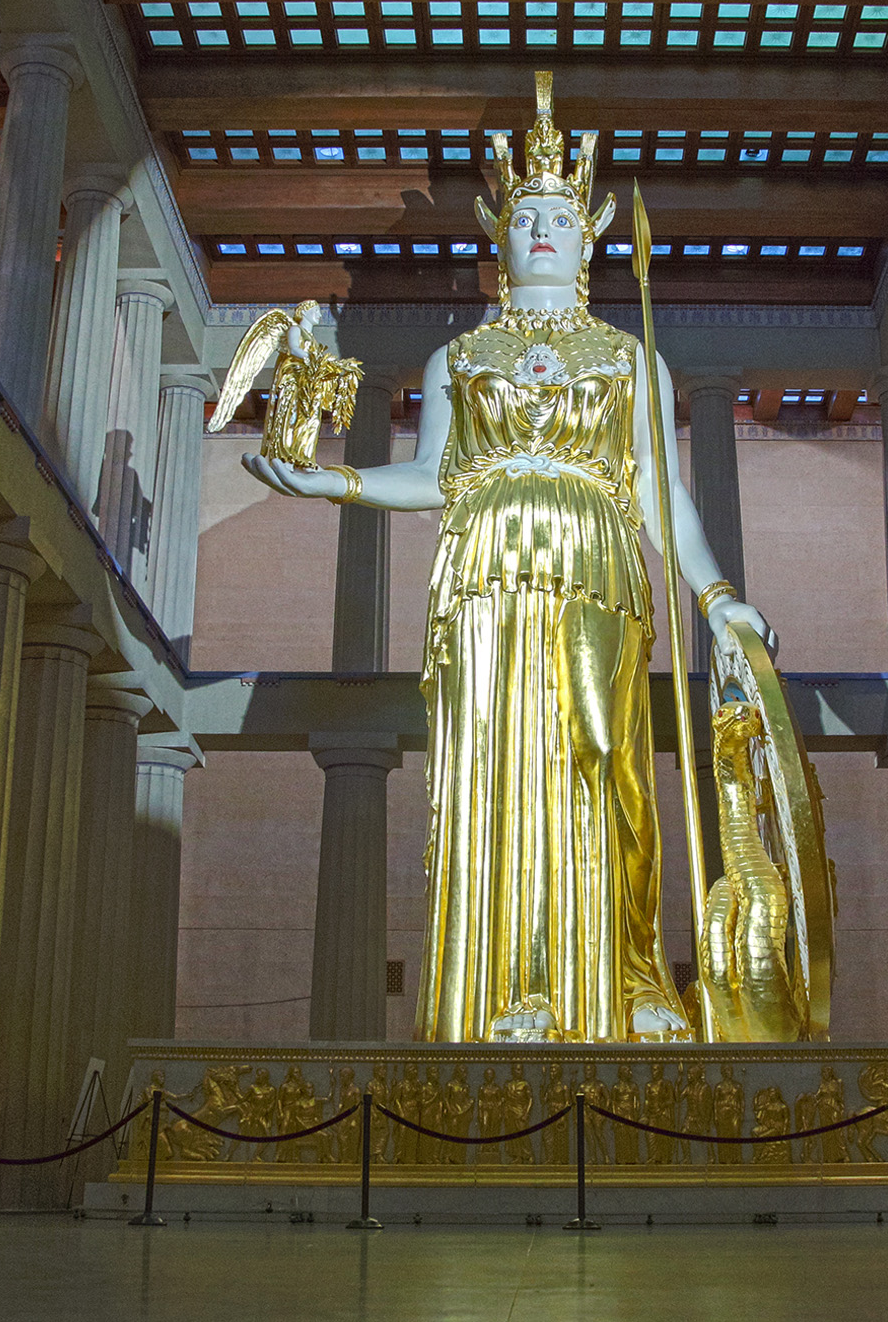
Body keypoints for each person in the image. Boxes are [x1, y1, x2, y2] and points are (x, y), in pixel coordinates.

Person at [243, 73, 771, 1043]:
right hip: (485, 575)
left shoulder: (628, 357)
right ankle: (515, 987)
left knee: (606, 758)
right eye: (524, 214)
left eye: (556, 216)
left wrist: (720, 597)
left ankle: (629, 977)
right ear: (499, 236)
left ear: (585, 237)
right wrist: (343, 485)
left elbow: (658, 489)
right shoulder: (461, 355)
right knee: (499, 770)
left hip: (596, 569)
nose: (539, 229)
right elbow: (439, 477)